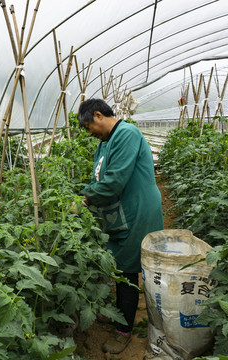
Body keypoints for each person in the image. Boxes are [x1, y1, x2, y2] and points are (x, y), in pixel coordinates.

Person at [78, 98, 163, 354]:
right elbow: (101, 177)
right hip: (119, 212)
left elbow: (114, 181)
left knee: (127, 270)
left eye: (87, 126)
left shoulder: (127, 134)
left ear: (98, 115)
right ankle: (119, 314)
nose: (88, 132)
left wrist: (84, 200)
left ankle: (124, 330)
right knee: (118, 267)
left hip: (137, 210)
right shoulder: (105, 143)